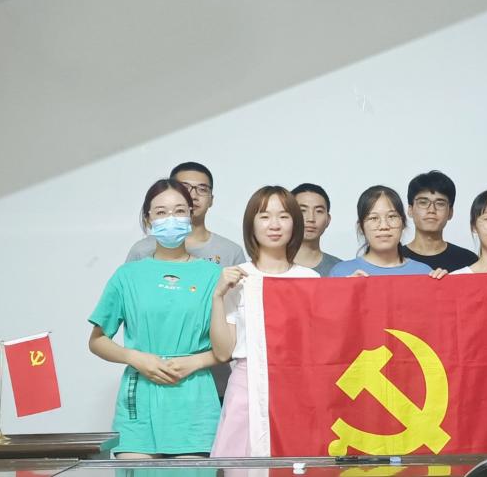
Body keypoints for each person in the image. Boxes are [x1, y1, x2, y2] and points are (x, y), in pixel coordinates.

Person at [88, 179, 222, 457]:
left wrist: (195, 362)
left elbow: (231, 345)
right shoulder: (127, 275)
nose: (171, 219)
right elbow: (98, 340)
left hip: (194, 399)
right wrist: (136, 358)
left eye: (179, 211)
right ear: (148, 219)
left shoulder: (213, 275)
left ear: (191, 215)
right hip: (141, 396)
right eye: (161, 212)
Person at [209, 186, 319, 457]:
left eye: (283, 216)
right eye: (264, 216)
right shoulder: (236, 277)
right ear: (252, 224)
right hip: (246, 385)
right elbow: (222, 353)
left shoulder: (310, 279)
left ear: (294, 223)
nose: (274, 225)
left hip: (296, 385)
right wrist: (218, 296)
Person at [126, 162, 246, 267]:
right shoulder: (141, 250)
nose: (193, 196)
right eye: (184, 187)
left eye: (202, 189)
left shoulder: (231, 252)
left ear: (211, 199)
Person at [329, 186, 439, 277]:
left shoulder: (424, 272)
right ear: (361, 227)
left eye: (391, 216)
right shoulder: (341, 272)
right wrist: (346, 290)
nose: (384, 226)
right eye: (373, 218)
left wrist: (444, 283)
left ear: (403, 223)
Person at [400, 171, 478, 271]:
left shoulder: (468, 260)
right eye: (423, 203)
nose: (431, 210)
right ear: (410, 210)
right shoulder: (395, 258)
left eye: (440, 204)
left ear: (450, 212)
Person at [291, 183, 342, 277]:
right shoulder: (272, 266)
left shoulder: (341, 270)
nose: (311, 218)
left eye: (319, 211)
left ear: (328, 220)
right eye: (302, 210)